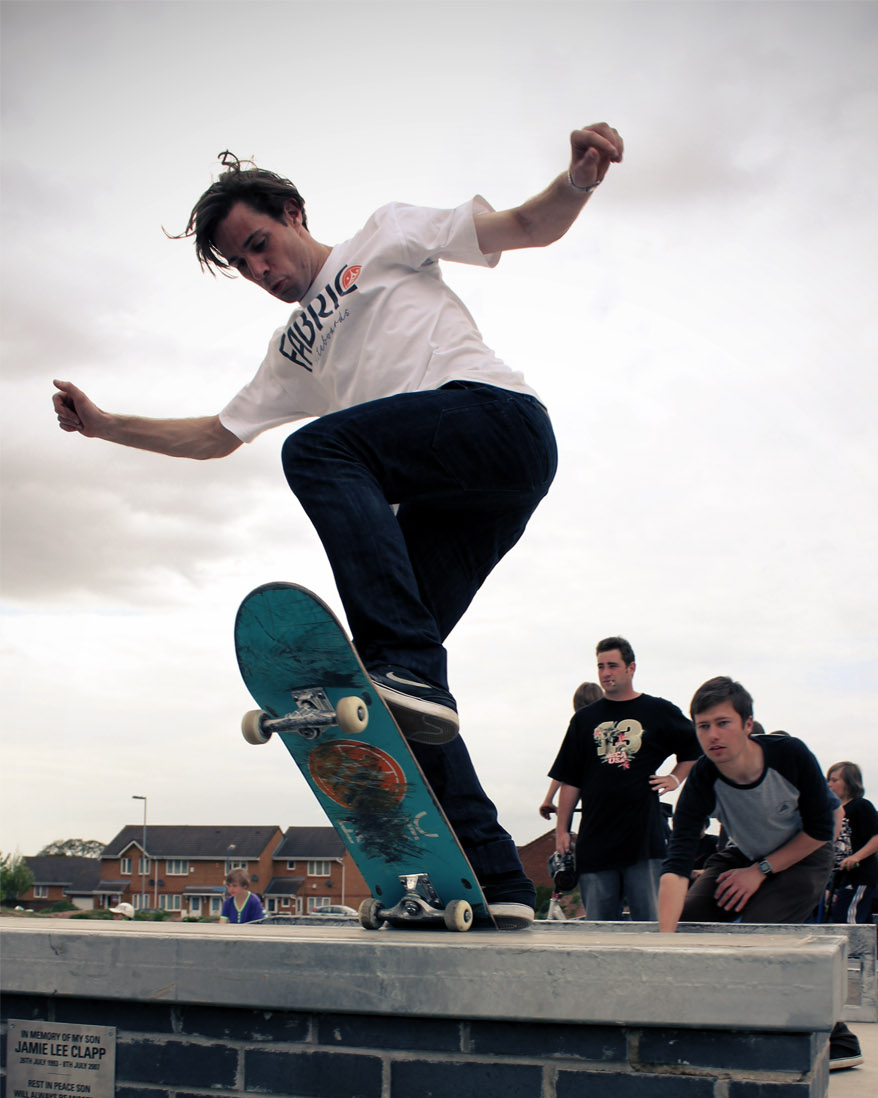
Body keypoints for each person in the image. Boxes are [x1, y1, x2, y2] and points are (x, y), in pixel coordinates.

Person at [53, 124, 623, 930]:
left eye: (260, 245)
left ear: (293, 213)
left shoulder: (384, 235)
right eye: (243, 266)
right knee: (384, 695)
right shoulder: (291, 350)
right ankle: (494, 876)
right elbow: (216, 434)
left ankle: (411, 667)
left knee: (321, 455)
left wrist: (578, 181)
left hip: (497, 424)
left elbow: (525, 227)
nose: (261, 271)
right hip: (452, 499)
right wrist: (106, 425)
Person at [658, 676, 861, 1071]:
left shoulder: (789, 755)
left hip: (805, 853)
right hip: (746, 852)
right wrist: (664, 947)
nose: (713, 736)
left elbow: (823, 829)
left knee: (757, 936)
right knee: (687, 922)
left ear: (747, 724)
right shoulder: (702, 778)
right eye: (703, 726)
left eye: (723, 723)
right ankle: (706, 1023)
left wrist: (761, 871)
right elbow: (676, 863)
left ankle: (838, 1038)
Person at [547, 636, 699, 920]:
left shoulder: (657, 710)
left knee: (649, 927)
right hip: (595, 842)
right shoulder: (583, 720)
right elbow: (570, 779)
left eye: (613, 665)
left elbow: (695, 747)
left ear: (631, 668)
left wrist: (675, 778)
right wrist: (562, 831)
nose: (606, 673)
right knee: (599, 931)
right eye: (601, 666)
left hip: (644, 840)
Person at [826, 762, 878, 925]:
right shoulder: (835, 812)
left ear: (849, 782)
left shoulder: (861, 806)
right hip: (843, 877)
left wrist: (856, 857)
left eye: (834, 780)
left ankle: (853, 943)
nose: (829, 784)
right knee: (855, 918)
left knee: (847, 919)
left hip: (860, 875)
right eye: (828, 780)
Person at [539, 681, 604, 820]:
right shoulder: (610, 724)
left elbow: (565, 764)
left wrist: (549, 799)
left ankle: (564, 828)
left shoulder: (580, 722)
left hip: (591, 793)